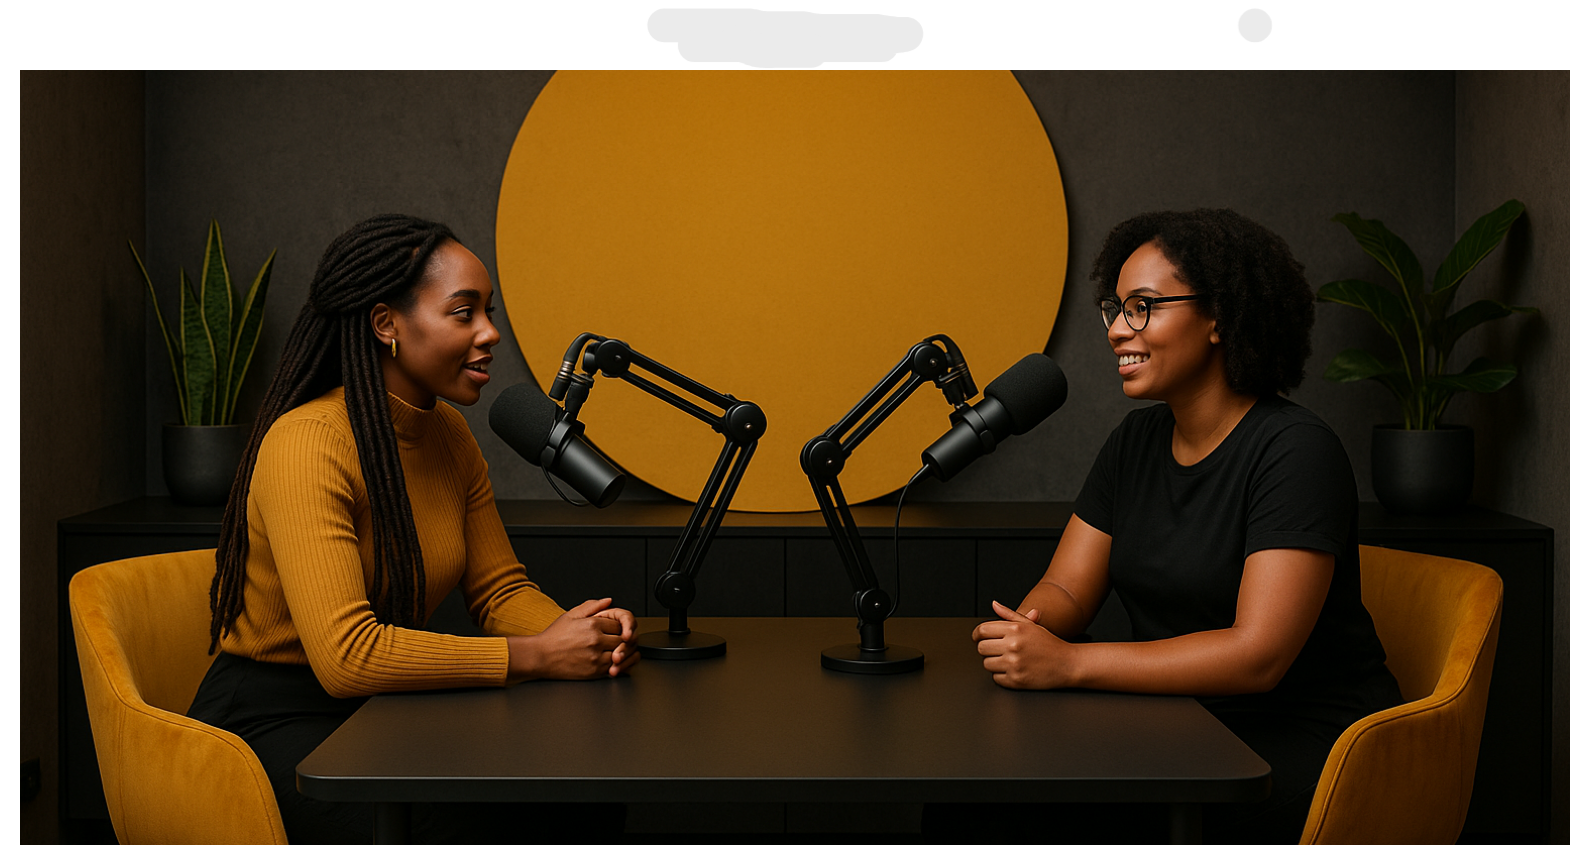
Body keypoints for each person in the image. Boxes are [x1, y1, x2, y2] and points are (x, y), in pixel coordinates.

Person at [187, 214, 640, 843]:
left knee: (579, 795)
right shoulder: (308, 444)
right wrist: (538, 655)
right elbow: (347, 658)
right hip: (272, 724)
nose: (490, 333)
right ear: (386, 325)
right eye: (463, 312)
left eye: (488, 312)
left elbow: (499, 591)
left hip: (382, 708)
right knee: (466, 825)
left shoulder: (448, 434)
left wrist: (585, 635)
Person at [968, 208, 1403, 843]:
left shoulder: (1296, 452)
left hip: (1298, 742)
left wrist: (1069, 665)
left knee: (1047, 813)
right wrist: (1029, 630)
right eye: (1115, 309)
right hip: (1181, 720)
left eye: (1142, 307)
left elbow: (1257, 657)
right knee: (979, 794)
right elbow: (1066, 588)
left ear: (1220, 316)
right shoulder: (1134, 442)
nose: (1118, 330)